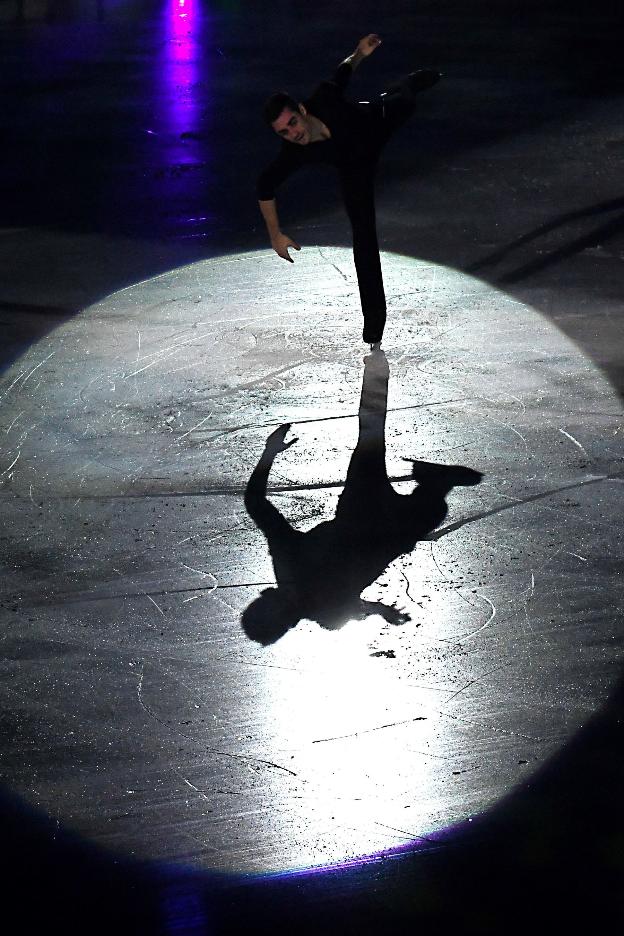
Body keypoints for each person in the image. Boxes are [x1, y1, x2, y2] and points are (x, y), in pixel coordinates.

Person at [242, 351, 482, 645]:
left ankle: (432, 479)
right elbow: (356, 609)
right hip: (379, 524)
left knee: (373, 440)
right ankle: (433, 482)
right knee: (378, 445)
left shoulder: (302, 580)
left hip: (369, 516)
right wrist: (379, 610)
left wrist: (269, 454)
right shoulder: (318, 603)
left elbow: (256, 505)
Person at [257, 34, 441, 348]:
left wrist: (359, 53)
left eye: (293, 122)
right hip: (356, 168)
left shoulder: (324, 98)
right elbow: (265, 186)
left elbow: (342, 72)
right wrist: (275, 235)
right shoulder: (294, 152)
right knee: (363, 236)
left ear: (301, 110)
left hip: (375, 123)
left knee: (406, 102)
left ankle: (407, 84)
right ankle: (374, 325)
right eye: (283, 132)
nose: (293, 133)